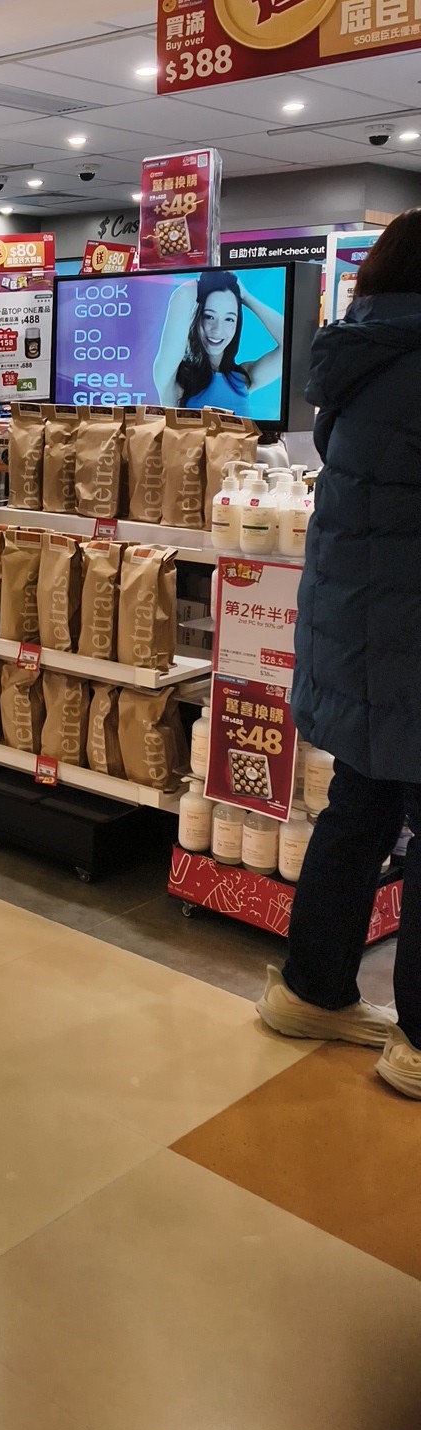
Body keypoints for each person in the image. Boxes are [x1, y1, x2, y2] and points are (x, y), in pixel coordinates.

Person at [256, 210, 421, 1097]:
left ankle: (311, 991)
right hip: (407, 640)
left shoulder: (356, 358)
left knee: (358, 805)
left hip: (356, 636)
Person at [153, 268, 286, 415]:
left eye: (229, 319)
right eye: (209, 316)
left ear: (237, 324)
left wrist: (246, 297)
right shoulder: (174, 376)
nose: (217, 330)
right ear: (197, 319)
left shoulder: (242, 379)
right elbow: (182, 296)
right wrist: (209, 280)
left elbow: (292, 344)